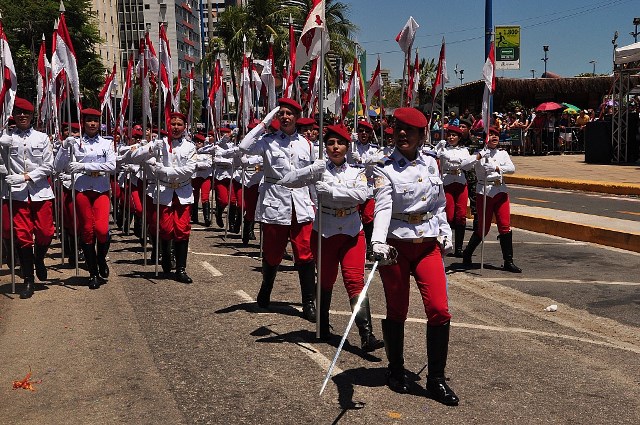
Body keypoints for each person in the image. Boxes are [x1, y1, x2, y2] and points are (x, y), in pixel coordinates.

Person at [371, 107, 459, 405]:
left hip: (427, 244)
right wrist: (377, 241)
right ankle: (395, 370)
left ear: (423, 135)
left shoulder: (433, 164)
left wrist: (446, 231)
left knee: (439, 309)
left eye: (410, 130)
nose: (402, 134)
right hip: (396, 245)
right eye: (398, 128)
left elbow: (438, 204)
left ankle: (435, 379)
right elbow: (382, 207)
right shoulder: (384, 166)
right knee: (398, 309)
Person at [238, 98, 322, 322]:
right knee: (273, 253)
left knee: (305, 253)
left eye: (289, 113)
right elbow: (243, 147)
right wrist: (265, 122)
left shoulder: (308, 144)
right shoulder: (267, 141)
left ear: (296, 117)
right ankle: (266, 286)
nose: (285, 117)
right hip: (275, 201)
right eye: (281, 113)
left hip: (301, 204)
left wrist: (317, 203)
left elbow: (313, 176)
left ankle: (308, 302)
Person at [309, 123, 383, 351]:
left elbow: (362, 194)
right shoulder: (318, 170)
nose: (335, 147)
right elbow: (306, 188)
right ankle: (322, 325)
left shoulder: (357, 171)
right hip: (325, 230)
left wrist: (332, 192)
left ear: (347, 146)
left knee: (355, 281)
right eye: (330, 143)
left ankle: (366, 334)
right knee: (326, 279)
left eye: (340, 143)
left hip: (351, 230)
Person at [129, 112, 197, 283]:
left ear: (184, 127)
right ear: (168, 125)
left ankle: (181, 269)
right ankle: (166, 255)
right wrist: (150, 148)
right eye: (172, 124)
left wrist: (165, 171)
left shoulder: (189, 147)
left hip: (182, 192)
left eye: (179, 124)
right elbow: (134, 157)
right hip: (163, 192)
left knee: (182, 230)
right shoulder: (159, 144)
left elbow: (189, 169)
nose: (175, 127)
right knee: (165, 229)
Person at [54, 108, 116, 289]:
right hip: (81, 189)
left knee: (102, 230)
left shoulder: (106, 143)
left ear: (99, 123)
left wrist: (83, 166)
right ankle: (93, 273)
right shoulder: (75, 143)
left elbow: (111, 166)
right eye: (89, 120)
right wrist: (64, 147)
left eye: (95, 121)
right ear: (83, 123)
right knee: (87, 230)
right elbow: (58, 167)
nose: (92, 124)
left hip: (101, 189)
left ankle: (101, 259)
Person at [0, 97, 56, 299]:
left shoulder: (41, 138)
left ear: (32, 116)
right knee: (23, 237)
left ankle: (38, 258)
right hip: (17, 195)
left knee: (45, 232)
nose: (22, 116)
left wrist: (25, 176)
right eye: (18, 113)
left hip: (40, 192)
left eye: (26, 113)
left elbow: (48, 166)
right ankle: (28, 280)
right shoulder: (7, 137)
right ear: (13, 116)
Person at [462, 127, 522, 273]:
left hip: (500, 190)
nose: (494, 137)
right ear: (485, 138)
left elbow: (512, 168)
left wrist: (496, 167)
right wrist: (479, 156)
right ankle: (467, 253)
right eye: (491, 134)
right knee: (484, 228)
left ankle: (508, 261)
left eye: (496, 134)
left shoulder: (503, 153)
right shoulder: (479, 153)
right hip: (485, 192)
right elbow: (464, 165)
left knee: (505, 226)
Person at [435, 125, 475, 257]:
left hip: (460, 181)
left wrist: (449, 157)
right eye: (449, 135)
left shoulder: (463, 150)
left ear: (459, 137)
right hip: (447, 181)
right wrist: (439, 149)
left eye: (454, 135)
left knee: (461, 215)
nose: (451, 137)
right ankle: (446, 242)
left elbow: (466, 163)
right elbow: (434, 155)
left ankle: (459, 248)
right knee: (449, 215)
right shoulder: (443, 148)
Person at [348, 120, 380, 255]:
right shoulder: (351, 146)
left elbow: (379, 163)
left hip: (368, 187)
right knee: (352, 216)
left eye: (366, 132)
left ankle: (370, 247)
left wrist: (361, 161)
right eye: (361, 131)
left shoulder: (374, 149)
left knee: (368, 218)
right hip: (354, 186)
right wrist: (350, 145)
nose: (363, 134)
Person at [191, 132, 213, 227]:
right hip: (195, 176)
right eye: (197, 141)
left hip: (205, 176)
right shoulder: (191, 151)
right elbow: (189, 162)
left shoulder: (208, 151)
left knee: (205, 197)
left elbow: (208, 164)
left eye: (200, 142)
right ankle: (194, 216)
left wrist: (197, 164)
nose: (199, 143)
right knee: (194, 197)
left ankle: (207, 218)